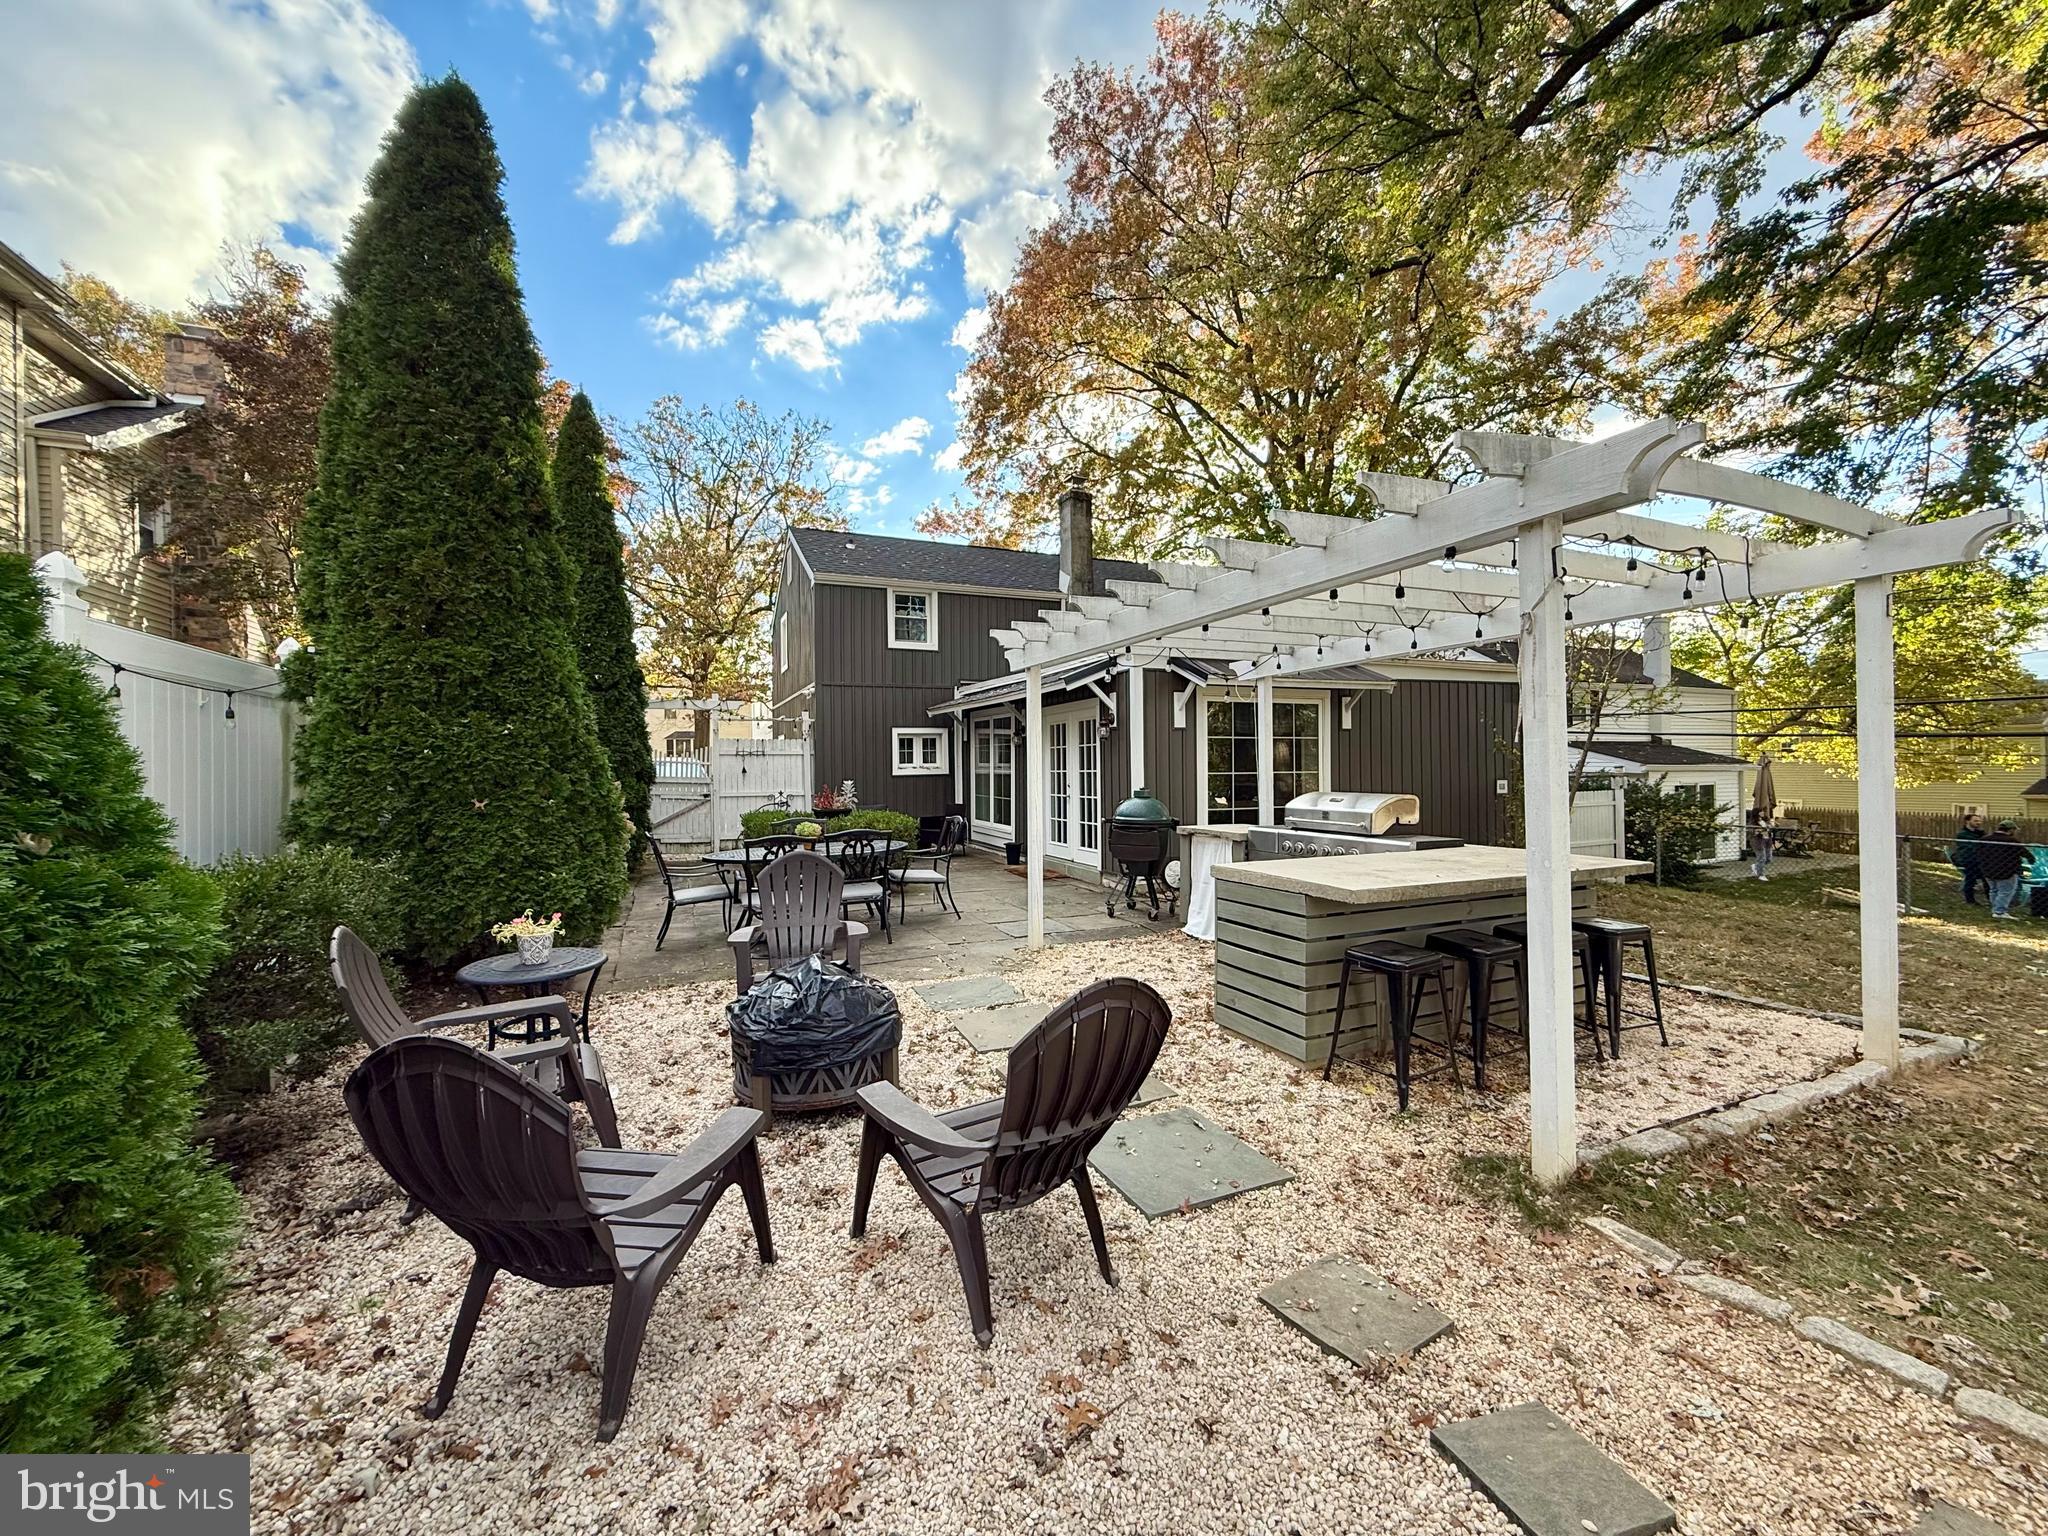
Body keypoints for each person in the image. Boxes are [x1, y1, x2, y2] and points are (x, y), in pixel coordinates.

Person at [1976, 820, 2027, 920]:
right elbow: (2025, 853)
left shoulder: (1985, 839)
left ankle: (1995, 910)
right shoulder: (2012, 841)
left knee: (1993, 890)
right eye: (2014, 830)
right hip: (2007, 871)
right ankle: (2000, 911)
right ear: (2011, 830)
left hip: (1988, 870)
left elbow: (1978, 853)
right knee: (2005, 892)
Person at [1951, 811, 1987, 904]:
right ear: (1967, 821)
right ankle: (1970, 900)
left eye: (1979, 821)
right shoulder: (1963, 834)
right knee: (1970, 879)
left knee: (1986, 879)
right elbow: (1972, 845)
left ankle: (1990, 899)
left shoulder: (1980, 833)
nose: (1978, 823)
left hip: (1981, 860)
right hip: (1969, 859)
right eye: (1975, 821)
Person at [1748, 810, 1775, 881]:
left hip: (1767, 841)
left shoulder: (1764, 821)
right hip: (1758, 842)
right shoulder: (1753, 822)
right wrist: (1758, 831)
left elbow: (1769, 828)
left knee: (1768, 859)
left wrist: (1770, 826)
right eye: (1761, 811)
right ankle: (1760, 875)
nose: (1763, 813)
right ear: (1757, 813)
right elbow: (1752, 831)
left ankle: (1756, 866)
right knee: (1762, 858)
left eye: (1763, 811)